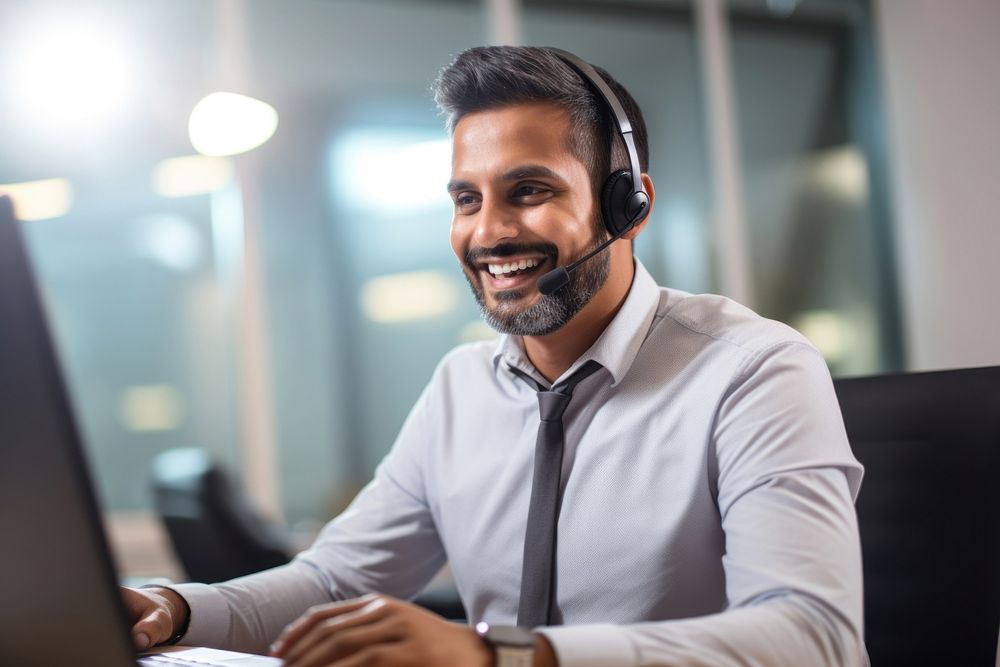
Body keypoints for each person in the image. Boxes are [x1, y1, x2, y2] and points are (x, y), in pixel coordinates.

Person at [125, 46, 866, 667]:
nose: (490, 232)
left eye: (529, 189)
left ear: (627, 206)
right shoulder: (461, 387)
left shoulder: (753, 369)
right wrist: (170, 608)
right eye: (467, 199)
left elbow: (812, 635)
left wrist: (504, 655)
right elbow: (333, 578)